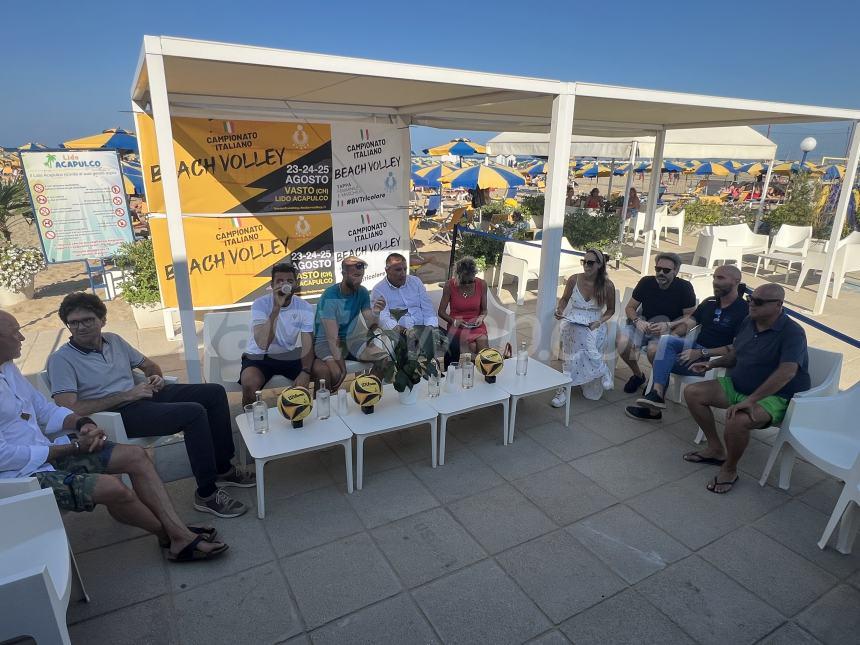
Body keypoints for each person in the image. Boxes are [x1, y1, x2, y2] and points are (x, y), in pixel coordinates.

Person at [0, 312, 228, 562]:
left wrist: (82, 423)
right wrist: (73, 447)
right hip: (20, 477)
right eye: (14, 333)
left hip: (48, 452)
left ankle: (178, 533)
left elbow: (44, 410)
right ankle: (174, 535)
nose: (22, 337)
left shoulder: (8, 368)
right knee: (114, 488)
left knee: (136, 456)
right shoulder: (61, 359)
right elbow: (4, 457)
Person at [47, 292, 254, 519]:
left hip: (143, 396)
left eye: (88, 320)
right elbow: (69, 408)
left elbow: (149, 365)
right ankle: (206, 493)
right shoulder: (62, 359)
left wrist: (155, 377)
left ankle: (222, 467)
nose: (81, 327)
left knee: (213, 392)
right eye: (73, 323)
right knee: (193, 413)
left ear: (102, 320)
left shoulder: (113, 340)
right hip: (116, 413)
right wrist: (126, 395)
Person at [683, 284, 810, 494]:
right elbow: (736, 352)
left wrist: (751, 400)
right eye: (751, 298)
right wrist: (712, 363)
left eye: (758, 302)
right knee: (693, 393)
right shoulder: (748, 322)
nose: (751, 304)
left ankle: (729, 469)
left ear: (778, 305)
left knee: (737, 420)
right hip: (739, 386)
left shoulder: (793, 332)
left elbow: (787, 372)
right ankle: (716, 449)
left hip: (776, 396)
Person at [625, 265, 749, 421]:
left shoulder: (744, 311)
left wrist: (701, 353)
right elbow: (689, 324)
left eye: (721, 278)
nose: (715, 282)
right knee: (664, 343)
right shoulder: (709, 302)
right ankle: (657, 394)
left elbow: (736, 348)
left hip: (713, 361)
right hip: (694, 350)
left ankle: (654, 404)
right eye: (714, 277)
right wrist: (673, 335)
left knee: (660, 353)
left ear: (736, 281)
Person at [241, 262, 327, 404]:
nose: (284, 285)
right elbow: (262, 344)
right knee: (249, 383)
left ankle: (318, 413)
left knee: (321, 370)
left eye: (289, 281)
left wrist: (305, 371)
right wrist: (276, 308)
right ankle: (252, 422)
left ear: (295, 284)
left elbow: (307, 343)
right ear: (272, 284)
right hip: (259, 355)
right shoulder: (260, 304)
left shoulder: (304, 307)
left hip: (288, 354)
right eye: (279, 281)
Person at [617, 252, 696, 394]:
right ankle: (638, 375)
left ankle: (657, 382)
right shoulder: (646, 282)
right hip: (643, 326)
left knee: (655, 351)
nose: (661, 273)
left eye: (666, 270)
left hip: (667, 331)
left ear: (676, 271)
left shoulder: (684, 288)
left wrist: (669, 328)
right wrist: (637, 321)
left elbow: (691, 317)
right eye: (658, 269)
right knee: (622, 341)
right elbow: (630, 308)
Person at [551, 249, 616, 406]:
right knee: (577, 332)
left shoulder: (607, 285)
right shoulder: (574, 279)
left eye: (590, 263)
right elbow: (565, 299)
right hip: (573, 320)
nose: (586, 265)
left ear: (600, 265)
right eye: (584, 262)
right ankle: (599, 369)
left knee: (592, 395)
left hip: (595, 322)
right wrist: (560, 309)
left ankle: (570, 381)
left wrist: (599, 322)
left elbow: (611, 310)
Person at [314, 255, 389, 389]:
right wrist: (342, 368)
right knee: (335, 374)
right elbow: (332, 338)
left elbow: (371, 323)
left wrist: (376, 311)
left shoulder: (362, 292)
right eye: (355, 275)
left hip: (350, 341)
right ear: (344, 273)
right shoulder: (330, 295)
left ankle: (367, 393)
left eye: (360, 276)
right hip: (324, 343)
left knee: (383, 360)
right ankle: (323, 406)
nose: (359, 280)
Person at [371, 253, 438, 358]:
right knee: (406, 352)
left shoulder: (415, 282)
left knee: (452, 343)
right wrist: (405, 331)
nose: (403, 273)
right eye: (398, 270)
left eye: (405, 269)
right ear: (387, 270)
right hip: (401, 332)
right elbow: (383, 319)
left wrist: (431, 327)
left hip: (424, 327)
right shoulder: (379, 289)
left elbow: (428, 308)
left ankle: (447, 372)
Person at [438, 256, 488, 365]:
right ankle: (472, 370)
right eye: (464, 282)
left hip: (476, 324)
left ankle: (483, 371)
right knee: (474, 347)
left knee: (482, 341)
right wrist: (455, 321)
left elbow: (484, 310)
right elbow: (441, 312)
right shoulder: (449, 286)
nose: (467, 285)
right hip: (456, 325)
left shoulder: (482, 284)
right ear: (458, 277)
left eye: (471, 281)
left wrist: (481, 317)